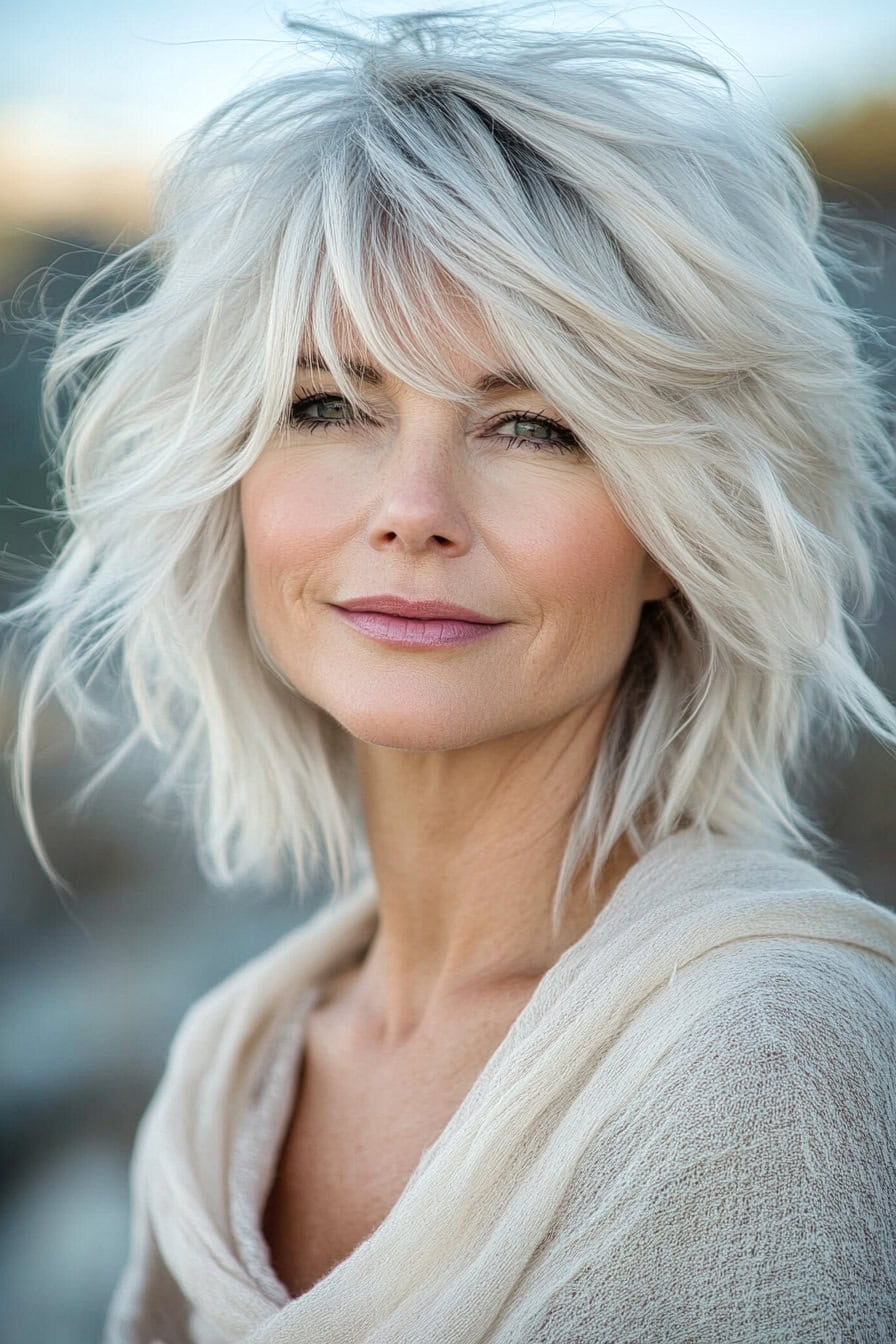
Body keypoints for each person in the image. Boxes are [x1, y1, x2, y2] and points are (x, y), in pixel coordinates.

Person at [5, 5, 896, 1341]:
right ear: (235, 483)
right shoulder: (234, 1066)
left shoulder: (766, 1059)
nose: (412, 507)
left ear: (673, 530)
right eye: (328, 405)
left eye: (532, 424)